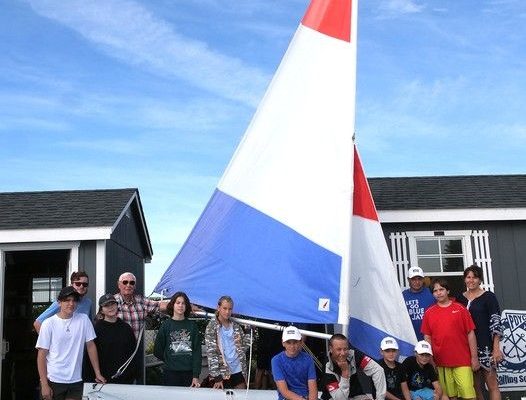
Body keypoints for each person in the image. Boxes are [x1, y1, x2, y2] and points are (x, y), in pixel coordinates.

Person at [36, 286, 106, 400]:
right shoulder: (49, 323)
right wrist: (44, 384)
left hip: (76, 380)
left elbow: (91, 346)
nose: (71, 303)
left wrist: (97, 373)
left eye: (74, 300)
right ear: (59, 303)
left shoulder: (83, 320)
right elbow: (41, 355)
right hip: (53, 380)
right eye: (67, 300)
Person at [422, 278, 479, 400]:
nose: (439, 293)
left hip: (462, 360)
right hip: (441, 362)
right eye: (435, 290)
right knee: (449, 396)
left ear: (448, 291)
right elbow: (427, 337)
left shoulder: (460, 309)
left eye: (441, 289)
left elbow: (471, 333)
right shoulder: (429, 312)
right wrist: (431, 360)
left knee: (469, 396)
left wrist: (474, 357)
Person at [457, 265, 503, 400]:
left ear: (480, 280)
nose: (471, 280)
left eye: (475, 277)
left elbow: (496, 323)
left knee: (492, 385)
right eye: (468, 277)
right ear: (465, 279)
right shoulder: (460, 298)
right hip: (467, 349)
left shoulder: (489, 297)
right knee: (475, 386)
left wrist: (496, 349)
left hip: (486, 347)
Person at [85, 293, 137, 384]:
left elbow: (133, 353)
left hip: (125, 379)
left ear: (117, 306)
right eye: (106, 305)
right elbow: (90, 355)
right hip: (103, 380)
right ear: (101, 310)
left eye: (113, 304)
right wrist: (95, 375)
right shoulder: (96, 329)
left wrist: (132, 374)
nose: (110, 307)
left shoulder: (126, 328)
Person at [154, 291, 202, 387]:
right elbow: (157, 350)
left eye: (183, 303)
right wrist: (169, 359)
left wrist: (196, 375)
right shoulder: (166, 326)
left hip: (189, 373)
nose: (180, 306)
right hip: (170, 373)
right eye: (178, 303)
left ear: (186, 306)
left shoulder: (192, 326)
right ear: (173, 305)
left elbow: (197, 352)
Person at [204, 295, 251, 389]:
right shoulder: (212, 326)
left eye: (230, 309)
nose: (227, 311)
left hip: (238, 368)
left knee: (241, 396)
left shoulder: (236, 326)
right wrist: (216, 376)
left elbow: (243, 348)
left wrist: (249, 334)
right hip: (222, 371)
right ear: (219, 308)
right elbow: (211, 352)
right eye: (224, 308)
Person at [321, 333, 386, 400]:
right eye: (339, 349)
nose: (343, 353)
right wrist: (345, 372)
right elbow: (340, 399)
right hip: (333, 397)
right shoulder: (327, 367)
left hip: (356, 395)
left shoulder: (352, 354)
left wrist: (380, 398)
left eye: (345, 349)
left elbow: (378, 370)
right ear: (331, 349)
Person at [113, 272, 167, 340]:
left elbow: (159, 305)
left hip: (134, 349)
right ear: (119, 284)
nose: (128, 285)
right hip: (115, 348)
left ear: (135, 286)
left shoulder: (141, 301)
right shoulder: (112, 302)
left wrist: (179, 304)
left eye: (132, 283)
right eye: (125, 282)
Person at [271, 325, 318, 400]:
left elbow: (313, 388)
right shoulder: (276, 360)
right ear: (283, 343)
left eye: (295, 342)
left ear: (301, 342)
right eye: (288, 342)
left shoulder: (308, 358)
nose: (292, 346)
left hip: (306, 397)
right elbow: (284, 391)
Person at [402, 267, 435, 341]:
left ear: (423, 279)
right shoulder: (403, 296)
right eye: (413, 279)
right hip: (410, 339)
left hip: (430, 338)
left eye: (419, 279)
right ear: (408, 280)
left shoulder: (432, 293)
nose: (417, 282)